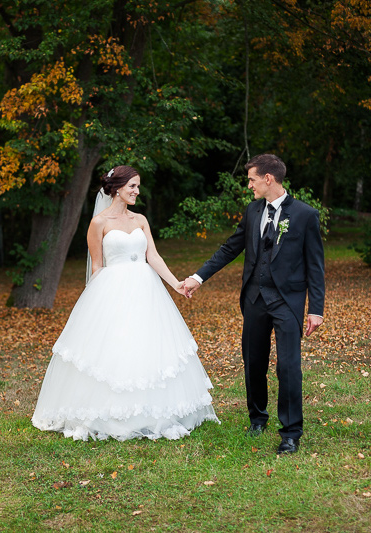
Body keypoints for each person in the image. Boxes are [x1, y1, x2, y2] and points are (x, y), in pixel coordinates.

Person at [31, 165, 219, 441]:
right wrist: (93, 304)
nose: (136, 191)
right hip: (113, 288)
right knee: (116, 345)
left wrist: (175, 284)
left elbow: (153, 257)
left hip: (146, 288)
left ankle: (152, 409)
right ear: (117, 187)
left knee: (148, 344)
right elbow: (96, 266)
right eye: (132, 186)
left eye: (138, 186)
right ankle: (112, 412)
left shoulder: (141, 219)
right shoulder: (99, 224)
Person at [183, 154, 325, 454]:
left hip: (288, 300)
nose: (249, 186)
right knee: (254, 363)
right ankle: (257, 418)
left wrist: (316, 309)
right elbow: (230, 248)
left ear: (268, 179)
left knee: (288, 367)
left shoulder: (304, 215)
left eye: (252, 180)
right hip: (254, 298)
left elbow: (316, 265)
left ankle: (290, 433)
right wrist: (198, 277)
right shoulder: (252, 211)